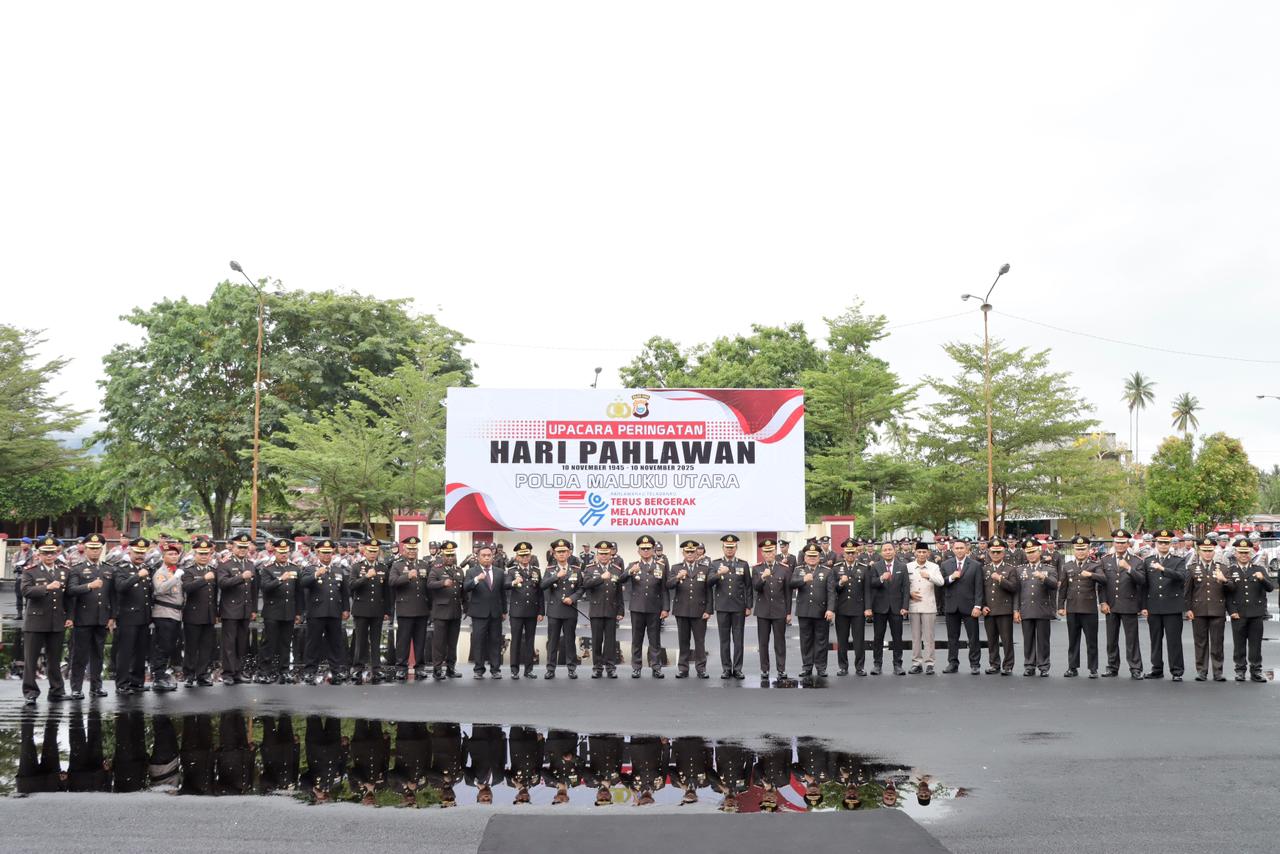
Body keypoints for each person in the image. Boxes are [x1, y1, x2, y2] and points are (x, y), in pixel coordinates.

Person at [20, 535, 71, 705]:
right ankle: (30, 692)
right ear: (39, 554)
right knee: (31, 659)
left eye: (52, 553)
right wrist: (46, 587)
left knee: (54, 659)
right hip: (35, 622)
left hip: (56, 621)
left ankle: (57, 690)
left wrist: (70, 616)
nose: (49, 556)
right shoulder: (30, 570)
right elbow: (26, 591)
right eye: (45, 553)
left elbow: (68, 597)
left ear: (57, 553)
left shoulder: (64, 570)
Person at [66, 533, 114, 699]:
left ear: (102, 549)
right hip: (83, 618)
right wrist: (89, 585)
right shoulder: (77, 569)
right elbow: (71, 591)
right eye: (91, 548)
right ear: (85, 549)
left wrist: (112, 616)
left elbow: (112, 595)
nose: (95, 551)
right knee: (80, 655)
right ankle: (76, 688)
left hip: (102, 618)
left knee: (98, 655)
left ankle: (96, 686)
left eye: (97, 548)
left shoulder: (108, 568)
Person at [1223, 536, 1275, 682]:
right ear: (1236, 553)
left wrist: (1262, 579)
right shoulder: (1230, 570)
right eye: (1241, 552)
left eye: (1246, 552)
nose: (1244, 555)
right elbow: (1227, 594)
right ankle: (1240, 670)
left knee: (1255, 644)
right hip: (1238, 613)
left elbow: (1271, 588)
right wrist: (1231, 611)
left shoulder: (1259, 569)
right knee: (1239, 645)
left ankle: (1256, 670)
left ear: (1250, 553)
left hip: (1256, 613)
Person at [299, 538, 350, 684]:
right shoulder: (310, 568)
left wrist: (346, 608)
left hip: (334, 611)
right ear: (317, 553)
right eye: (323, 553)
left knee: (336, 643)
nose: (326, 556)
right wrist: (316, 574)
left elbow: (344, 592)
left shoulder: (338, 570)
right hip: (316, 612)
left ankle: (336, 671)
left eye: (329, 553)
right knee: (313, 643)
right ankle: (310, 671)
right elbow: (303, 583)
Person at [1056, 535, 1105, 678]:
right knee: (1073, 640)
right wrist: (1060, 606)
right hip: (1072, 609)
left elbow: (1104, 580)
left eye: (1083, 549)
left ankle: (1093, 668)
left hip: (1089, 609)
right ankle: (1072, 667)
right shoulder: (1067, 566)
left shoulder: (1095, 565)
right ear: (1074, 550)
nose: (1080, 552)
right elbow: (1063, 588)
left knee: (1091, 640)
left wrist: (1090, 574)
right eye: (1078, 549)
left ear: (1088, 549)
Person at [1142, 529, 1187, 681]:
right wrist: (1144, 606)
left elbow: (1181, 577)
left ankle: (1177, 671)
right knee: (1155, 640)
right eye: (1160, 542)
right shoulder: (1148, 561)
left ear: (1170, 544)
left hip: (1172, 606)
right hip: (1154, 605)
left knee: (1174, 641)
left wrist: (1163, 569)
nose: (1163, 545)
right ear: (1155, 543)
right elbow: (1144, 585)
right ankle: (1157, 669)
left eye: (1166, 542)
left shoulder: (1178, 560)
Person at [1100, 529, 1145, 679]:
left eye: (1123, 542)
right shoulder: (1105, 560)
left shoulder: (1136, 561)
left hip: (1129, 604)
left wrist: (1128, 568)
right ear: (1114, 543)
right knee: (1111, 639)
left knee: (1132, 639)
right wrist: (1102, 601)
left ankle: (1135, 668)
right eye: (1117, 542)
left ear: (1128, 543)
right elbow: (1102, 583)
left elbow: (1141, 581)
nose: (1120, 545)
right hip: (1111, 605)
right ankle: (1112, 667)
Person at [1184, 535, 1230, 682]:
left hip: (1217, 609)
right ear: (1199, 551)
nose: (1208, 553)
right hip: (1199, 610)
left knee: (1217, 642)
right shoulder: (1192, 569)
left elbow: (1231, 589)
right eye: (1205, 550)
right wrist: (1188, 609)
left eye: (1210, 550)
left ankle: (1218, 672)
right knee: (1200, 642)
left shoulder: (1223, 568)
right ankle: (1201, 671)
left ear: (1214, 551)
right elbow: (1187, 591)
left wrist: (1225, 580)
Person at [1011, 538, 1059, 677]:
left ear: (1039, 552)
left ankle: (1044, 666)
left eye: (1033, 552)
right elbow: (1017, 591)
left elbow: (1055, 585)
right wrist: (1016, 610)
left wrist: (1043, 578)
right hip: (1026, 608)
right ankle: (1029, 665)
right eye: (1028, 552)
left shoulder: (1048, 568)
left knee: (1043, 640)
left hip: (1042, 609)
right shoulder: (1020, 569)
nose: (1031, 555)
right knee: (1028, 639)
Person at [623, 534, 669, 678]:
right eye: (643, 549)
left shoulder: (661, 566)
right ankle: (636, 667)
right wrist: (630, 572)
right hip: (637, 608)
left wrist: (665, 608)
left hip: (654, 608)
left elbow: (664, 589)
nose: (646, 551)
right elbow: (620, 580)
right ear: (638, 551)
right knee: (637, 639)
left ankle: (656, 666)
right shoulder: (633, 565)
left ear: (653, 549)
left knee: (654, 639)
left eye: (648, 548)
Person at [113, 537, 155, 695]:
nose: (140, 555)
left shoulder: (147, 567)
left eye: (142, 553)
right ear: (129, 551)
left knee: (140, 651)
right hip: (128, 617)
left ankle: (137, 681)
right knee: (125, 651)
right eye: (137, 552)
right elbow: (120, 587)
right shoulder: (121, 568)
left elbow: (148, 594)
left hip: (144, 617)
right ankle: (122, 683)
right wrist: (138, 576)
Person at [258, 538, 301, 684]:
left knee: (285, 643)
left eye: (286, 552)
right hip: (272, 611)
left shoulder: (295, 568)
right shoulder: (268, 568)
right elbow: (265, 587)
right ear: (275, 551)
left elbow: (299, 592)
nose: (283, 555)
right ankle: (264, 671)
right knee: (269, 643)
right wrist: (280, 579)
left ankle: (284, 670)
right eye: (280, 552)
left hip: (289, 611)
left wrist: (298, 613)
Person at [216, 533, 258, 684]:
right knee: (229, 643)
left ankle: (238, 672)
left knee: (242, 642)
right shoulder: (225, 563)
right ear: (232, 547)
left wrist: (253, 609)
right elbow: (222, 583)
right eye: (240, 547)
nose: (242, 550)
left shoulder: (250, 564)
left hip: (245, 609)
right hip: (230, 608)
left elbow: (254, 589)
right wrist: (241, 577)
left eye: (245, 547)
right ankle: (227, 673)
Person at [709, 533, 752, 680]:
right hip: (722, 607)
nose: (729, 550)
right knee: (724, 640)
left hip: (739, 607)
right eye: (727, 547)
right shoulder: (715, 564)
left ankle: (738, 669)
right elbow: (708, 582)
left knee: (739, 640)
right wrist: (718, 574)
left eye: (732, 547)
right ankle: (726, 668)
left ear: (736, 548)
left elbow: (748, 586)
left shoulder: (743, 564)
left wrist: (748, 605)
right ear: (723, 548)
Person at [668, 539, 713, 679]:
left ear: (697, 553)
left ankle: (701, 669)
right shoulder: (676, 568)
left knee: (700, 641)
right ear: (683, 552)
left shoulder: (704, 568)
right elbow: (668, 585)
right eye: (687, 551)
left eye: (692, 551)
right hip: (681, 610)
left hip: (699, 610)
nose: (690, 554)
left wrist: (708, 610)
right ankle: (683, 668)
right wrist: (677, 577)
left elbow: (708, 591)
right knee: (683, 641)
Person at [389, 536, 432, 680]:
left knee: (420, 640)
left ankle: (419, 667)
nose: (412, 552)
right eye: (409, 549)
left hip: (421, 608)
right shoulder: (397, 565)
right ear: (404, 550)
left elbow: (429, 587)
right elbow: (392, 582)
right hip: (405, 609)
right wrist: (407, 576)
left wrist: (430, 608)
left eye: (415, 549)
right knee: (403, 640)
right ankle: (401, 667)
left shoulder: (424, 564)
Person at [349, 537, 390, 684]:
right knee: (360, 640)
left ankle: (376, 668)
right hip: (361, 609)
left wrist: (387, 611)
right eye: (370, 551)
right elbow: (352, 586)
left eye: (375, 551)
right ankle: (358, 667)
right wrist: (366, 577)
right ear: (364, 551)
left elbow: (387, 592)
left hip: (377, 609)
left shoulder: (383, 568)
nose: (373, 554)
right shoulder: (356, 566)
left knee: (375, 639)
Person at [792, 542, 836, 678]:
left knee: (821, 641)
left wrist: (830, 609)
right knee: (806, 641)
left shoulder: (827, 571)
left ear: (819, 557)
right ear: (805, 557)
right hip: (804, 611)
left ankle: (821, 667)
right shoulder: (798, 570)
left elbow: (831, 592)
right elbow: (791, 584)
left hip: (821, 611)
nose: (812, 558)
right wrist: (803, 580)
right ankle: (807, 667)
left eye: (814, 556)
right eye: (809, 556)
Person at [940, 538, 984, 675]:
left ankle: (975, 664)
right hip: (952, 606)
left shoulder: (976, 565)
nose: (959, 550)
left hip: (970, 606)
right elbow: (941, 583)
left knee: (973, 637)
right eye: (956, 548)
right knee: (952, 637)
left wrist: (978, 606)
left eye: (961, 548)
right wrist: (952, 577)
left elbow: (979, 587)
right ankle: (953, 663)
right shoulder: (946, 564)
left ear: (967, 549)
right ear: (952, 549)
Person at [540, 538, 582, 679]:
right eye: (559, 552)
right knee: (553, 641)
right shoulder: (550, 570)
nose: (562, 554)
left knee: (570, 640)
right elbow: (542, 585)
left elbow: (581, 588)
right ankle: (551, 668)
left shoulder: (576, 569)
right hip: (554, 611)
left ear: (569, 553)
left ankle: (571, 668)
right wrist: (555, 577)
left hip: (570, 610)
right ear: (554, 554)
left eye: (564, 551)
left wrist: (573, 598)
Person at [581, 540, 624, 678]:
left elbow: (619, 592)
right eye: (601, 553)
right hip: (596, 610)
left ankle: (610, 667)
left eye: (606, 553)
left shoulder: (616, 569)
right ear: (597, 554)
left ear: (611, 554)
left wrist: (621, 610)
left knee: (611, 641)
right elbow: (586, 584)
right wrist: (600, 578)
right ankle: (597, 667)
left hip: (611, 610)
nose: (604, 556)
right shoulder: (590, 568)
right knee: (597, 640)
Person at [180, 538, 219, 687]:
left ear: (210, 555)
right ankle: (189, 675)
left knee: (206, 647)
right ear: (195, 554)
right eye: (201, 554)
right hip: (193, 615)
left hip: (209, 615)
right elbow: (187, 588)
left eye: (206, 554)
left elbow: (215, 595)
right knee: (191, 647)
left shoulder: (213, 571)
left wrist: (216, 613)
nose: (204, 557)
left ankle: (202, 674)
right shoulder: (189, 570)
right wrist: (203, 579)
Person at [752, 539, 791, 684]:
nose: (768, 554)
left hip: (779, 610)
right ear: (762, 553)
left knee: (779, 642)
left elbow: (788, 592)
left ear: (775, 552)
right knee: (763, 642)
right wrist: (763, 577)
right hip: (763, 611)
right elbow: (755, 588)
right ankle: (764, 669)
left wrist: (788, 612)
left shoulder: (784, 568)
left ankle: (781, 669)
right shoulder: (757, 568)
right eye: (766, 552)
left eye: (771, 551)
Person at [464, 544, 506, 678]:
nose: (487, 558)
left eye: (489, 556)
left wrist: (504, 610)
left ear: (493, 557)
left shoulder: (499, 572)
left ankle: (495, 670)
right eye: (484, 556)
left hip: (495, 612)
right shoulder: (471, 572)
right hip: (479, 613)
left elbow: (502, 593)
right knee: (479, 641)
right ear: (478, 557)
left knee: (495, 641)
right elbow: (465, 587)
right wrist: (476, 579)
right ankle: (479, 669)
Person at [869, 541, 910, 676]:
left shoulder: (902, 566)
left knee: (897, 637)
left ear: (894, 551)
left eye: (890, 549)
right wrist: (881, 578)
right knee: (878, 637)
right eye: (885, 550)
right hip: (880, 608)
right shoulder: (875, 566)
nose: (887, 552)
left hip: (897, 608)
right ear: (881, 552)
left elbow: (905, 588)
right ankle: (877, 665)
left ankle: (898, 665)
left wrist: (905, 606)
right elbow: (871, 584)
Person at [503, 541, 543, 679]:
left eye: (527, 555)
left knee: (530, 641)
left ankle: (529, 669)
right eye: (522, 555)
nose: (525, 558)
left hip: (532, 611)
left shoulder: (536, 571)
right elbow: (505, 584)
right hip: (517, 612)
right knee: (516, 640)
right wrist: (513, 582)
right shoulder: (512, 571)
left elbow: (540, 592)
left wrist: (541, 611)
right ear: (517, 557)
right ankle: (514, 670)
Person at [832, 538, 872, 676]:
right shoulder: (837, 568)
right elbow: (832, 589)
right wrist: (840, 583)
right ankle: (843, 666)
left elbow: (867, 590)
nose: (850, 555)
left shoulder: (864, 567)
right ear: (843, 553)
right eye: (848, 553)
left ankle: (859, 667)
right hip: (842, 609)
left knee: (859, 640)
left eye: (853, 553)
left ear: (857, 553)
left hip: (858, 609)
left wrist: (868, 608)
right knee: (842, 640)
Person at [427, 540, 466, 680]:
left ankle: (451, 668)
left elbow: (463, 592)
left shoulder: (459, 570)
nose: (450, 558)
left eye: (452, 555)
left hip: (455, 611)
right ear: (442, 555)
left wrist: (466, 607)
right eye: (447, 555)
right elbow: (429, 584)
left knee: (452, 642)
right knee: (439, 643)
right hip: (441, 612)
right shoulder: (436, 569)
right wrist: (442, 583)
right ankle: (437, 669)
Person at [150, 541, 186, 692]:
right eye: (170, 554)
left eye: (176, 554)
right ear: (163, 556)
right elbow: (160, 589)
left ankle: (162, 673)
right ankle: (158, 677)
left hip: (175, 614)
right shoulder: (161, 572)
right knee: (162, 646)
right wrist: (175, 577)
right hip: (164, 613)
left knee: (170, 646)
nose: (174, 556)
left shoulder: (175, 570)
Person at [906, 541, 944, 675]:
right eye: (919, 552)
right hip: (914, 606)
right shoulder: (908, 567)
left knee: (929, 637)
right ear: (915, 553)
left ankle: (929, 663)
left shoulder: (933, 567)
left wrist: (929, 576)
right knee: (916, 636)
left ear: (928, 553)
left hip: (928, 606)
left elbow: (941, 582)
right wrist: (909, 594)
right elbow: (903, 586)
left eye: (924, 552)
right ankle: (916, 663)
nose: (921, 554)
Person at [981, 538, 1017, 675]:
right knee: (992, 640)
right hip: (989, 609)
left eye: (998, 552)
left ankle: (1008, 665)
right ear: (989, 552)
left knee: (1007, 640)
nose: (995, 554)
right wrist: (983, 605)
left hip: (1004, 609)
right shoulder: (984, 569)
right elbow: (980, 590)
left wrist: (1001, 579)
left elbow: (1014, 588)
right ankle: (994, 664)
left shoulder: (1010, 569)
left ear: (1004, 552)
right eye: (993, 552)